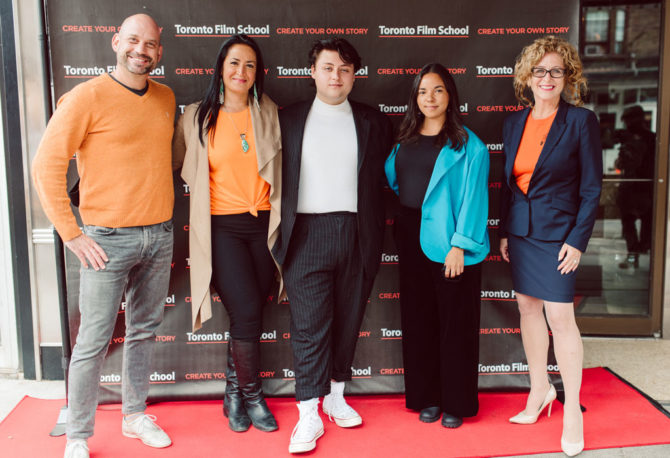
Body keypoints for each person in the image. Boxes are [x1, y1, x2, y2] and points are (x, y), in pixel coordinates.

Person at [32, 14, 175, 458]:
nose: (141, 50)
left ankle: (134, 416)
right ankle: (77, 435)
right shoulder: (85, 97)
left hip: (161, 234)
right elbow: (46, 166)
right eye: (133, 40)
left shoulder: (166, 97)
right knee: (93, 340)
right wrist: (71, 234)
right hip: (105, 240)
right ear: (116, 42)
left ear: (159, 52)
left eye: (150, 44)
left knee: (144, 331)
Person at [271, 38, 393, 453]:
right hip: (305, 234)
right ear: (313, 72)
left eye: (344, 69)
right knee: (308, 326)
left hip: (358, 233)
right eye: (327, 68)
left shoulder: (373, 121)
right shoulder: (287, 119)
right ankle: (308, 413)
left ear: (354, 75)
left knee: (348, 319)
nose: (335, 76)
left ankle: (336, 397)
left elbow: (384, 183)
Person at [172, 34, 281, 433]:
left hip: (264, 227)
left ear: (258, 73)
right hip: (222, 227)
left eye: (250, 65)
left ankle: (233, 393)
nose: (241, 72)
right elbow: (167, 160)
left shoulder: (268, 111)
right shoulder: (196, 115)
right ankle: (252, 395)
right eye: (234, 63)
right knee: (247, 309)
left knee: (248, 313)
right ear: (221, 67)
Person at [499, 36, 602, 457]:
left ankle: (571, 410)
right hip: (522, 233)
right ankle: (539, 389)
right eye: (540, 70)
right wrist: (506, 231)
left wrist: (577, 242)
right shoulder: (512, 122)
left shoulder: (581, 121)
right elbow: (513, 186)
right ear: (527, 76)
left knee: (560, 317)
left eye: (556, 71)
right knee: (527, 308)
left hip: (560, 236)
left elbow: (592, 188)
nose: (547, 77)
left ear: (567, 76)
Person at [385, 63, 490, 429]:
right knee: (419, 320)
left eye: (438, 90)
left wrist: (459, 246)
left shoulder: (469, 146)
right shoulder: (405, 140)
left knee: (455, 325)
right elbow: (397, 183)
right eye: (423, 91)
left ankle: (455, 402)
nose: (430, 98)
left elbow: (476, 201)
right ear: (415, 98)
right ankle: (425, 397)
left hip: (451, 243)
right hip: (411, 237)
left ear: (451, 96)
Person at [613, 105, 655, 268]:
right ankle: (635, 253)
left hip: (640, 187)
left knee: (640, 223)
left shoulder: (648, 139)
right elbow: (621, 163)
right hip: (635, 187)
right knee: (631, 223)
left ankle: (637, 251)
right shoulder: (643, 138)